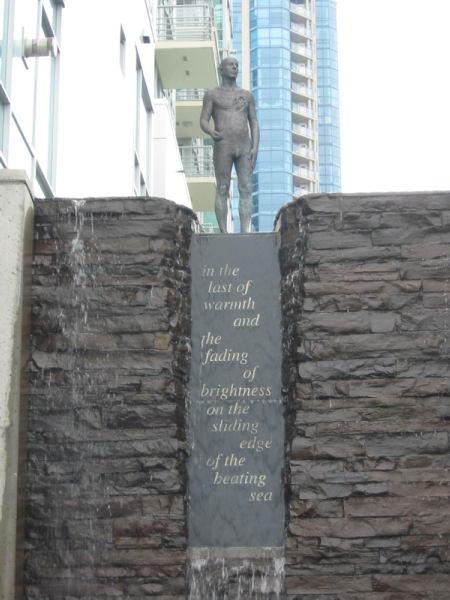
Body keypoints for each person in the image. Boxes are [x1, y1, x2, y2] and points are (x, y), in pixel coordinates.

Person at [200, 56, 259, 233]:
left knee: (246, 187)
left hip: (244, 145)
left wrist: (255, 146)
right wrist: (211, 132)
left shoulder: (247, 95)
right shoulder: (212, 94)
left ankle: (245, 231)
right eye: (231, 65)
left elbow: (254, 121)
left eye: (236, 65)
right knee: (223, 187)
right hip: (223, 144)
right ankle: (223, 231)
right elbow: (203, 120)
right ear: (221, 69)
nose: (234, 67)